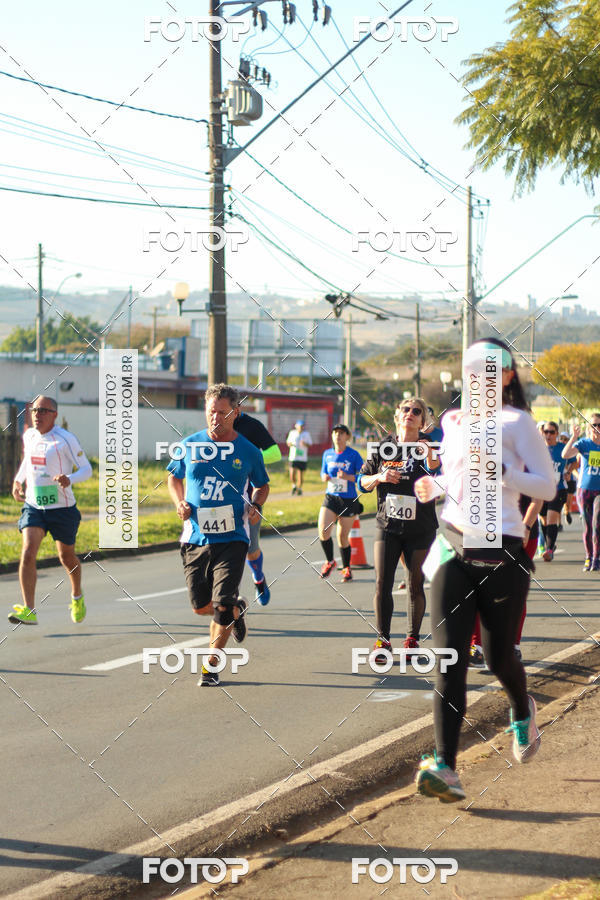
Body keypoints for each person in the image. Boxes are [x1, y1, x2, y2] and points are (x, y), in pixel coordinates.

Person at [414, 339, 555, 802]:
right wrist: (432, 484)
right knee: (449, 660)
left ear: (508, 376)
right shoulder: (453, 421)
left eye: (490, 368)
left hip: (503, 550)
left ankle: (522, 707)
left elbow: (548, 486)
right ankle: (446, 767)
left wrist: (501, 472)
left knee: (497, 658)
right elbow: (455, 474)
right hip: (454, 545)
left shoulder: (519, 423)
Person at [167, 384, 269, 686]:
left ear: (235, 413)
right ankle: (237, 609)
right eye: (211, 412)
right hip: (195, 537)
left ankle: (211, 666)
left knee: (221, 603)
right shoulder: (189, 445)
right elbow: (173, 477)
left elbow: (262, 485)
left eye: (222, 413)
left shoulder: (248, 451)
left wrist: (257, 505)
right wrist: (180, 502)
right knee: (201, 606)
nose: (215, 419)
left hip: (233, 537)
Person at [357, 397, 440, 662]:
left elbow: (439, 475)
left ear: (423, 421)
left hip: (420, 527)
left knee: (415, 583)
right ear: (397, 415)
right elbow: (362, 482)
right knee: (383, 582)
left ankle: (412, 638)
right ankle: (383, 640)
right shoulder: (383, 448)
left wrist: (430, 457)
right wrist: (380, 477)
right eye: (406, 409)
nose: (410, 414)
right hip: (388, 525)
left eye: (417, 411)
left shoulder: (429, 447)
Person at [9, 395, 92, 625]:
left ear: (54, 415)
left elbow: (87, 470)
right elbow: (28, 461)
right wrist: (18, 480)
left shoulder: (66, 439)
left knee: (66, 557)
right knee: (27, 551)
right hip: (34, 505)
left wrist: (70, 479)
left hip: (62, 509)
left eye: (43, 411)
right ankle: (29, 609)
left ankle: (77, 595)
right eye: (35, 410)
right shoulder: (29, 435)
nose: (37, 415)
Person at [234, 409, 282, 605]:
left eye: (224, 410)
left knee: (250, 549)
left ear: (236, 408)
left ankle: (258, 578)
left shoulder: (252, 425)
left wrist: (250, 457)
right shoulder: (215, 426)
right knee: (226, 549)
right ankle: (229, 598)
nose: (218, 415)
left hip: (250, 496)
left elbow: (275, 453)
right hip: (221, 498)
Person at [319, 424, 364, 582]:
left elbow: (362, 477)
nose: (338, 435)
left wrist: (348, 477)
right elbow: (323, 471)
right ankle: (330, 561)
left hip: (348, 499)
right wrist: (324, 476)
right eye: (335, 433)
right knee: (323, 531)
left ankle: (346, 568)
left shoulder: (354, 455)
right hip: (331, 497)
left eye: (341, 433)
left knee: (342, 536)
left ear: (347, 437)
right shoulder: (327, 454)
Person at [562, 416, 600, 571]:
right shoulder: (584, 443)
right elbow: (565, 455)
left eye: (599, 424)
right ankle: (588, 557)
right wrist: (574, 437)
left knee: (597, 524)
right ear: (589, 427)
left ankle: (596, 559)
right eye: (594, 424)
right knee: (587, 527)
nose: (597, 427)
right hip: (584, 490)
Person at [538, 421, 568, 561]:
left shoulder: (563, 448)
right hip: (541, 490)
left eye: (551, 432)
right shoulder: (537, 449)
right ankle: (551, 545)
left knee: (551, 518)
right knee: (543, 520)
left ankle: (549, 550)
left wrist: (569, 471)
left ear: (557, 434)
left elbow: (575, 460)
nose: (548, 435)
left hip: (558, 489)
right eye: (546, 432)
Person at [286, 420, 312, 495]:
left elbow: (310, 444)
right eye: (299, 426)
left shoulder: (306, 434)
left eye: (302, 426)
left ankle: (299, 489)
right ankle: (294, 486)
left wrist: (304, 443)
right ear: (296, 426)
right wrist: (290, 444)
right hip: (293, 457)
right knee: (292, 474)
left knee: (300, 474)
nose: (301, 428)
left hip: (302, 457)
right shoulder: (292, 433)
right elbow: (288, 442)